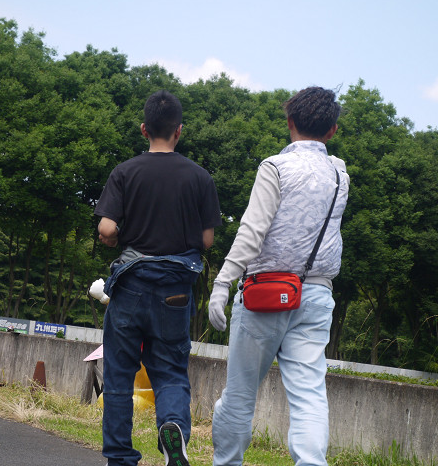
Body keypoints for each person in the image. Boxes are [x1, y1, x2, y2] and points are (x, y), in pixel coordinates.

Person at [208, 86, 350, 466]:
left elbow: (252, 231)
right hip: (316, 296)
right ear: (332, 130)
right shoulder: (340, 174)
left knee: (240, 395)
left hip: (265, 296)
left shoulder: (275, 167)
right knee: (309, 396)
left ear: (289, 122)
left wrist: (222, 282)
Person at [95, 90, 222, 466]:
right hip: (175, 291)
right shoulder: (200, 177)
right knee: (170, 372)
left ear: (144, 129)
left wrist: (116, 237)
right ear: (179, 131)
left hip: (131, 286)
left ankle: (120, 458)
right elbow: (207, 240)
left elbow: (106, 229)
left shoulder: (125, 172)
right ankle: (173, 429)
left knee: (119, 376)